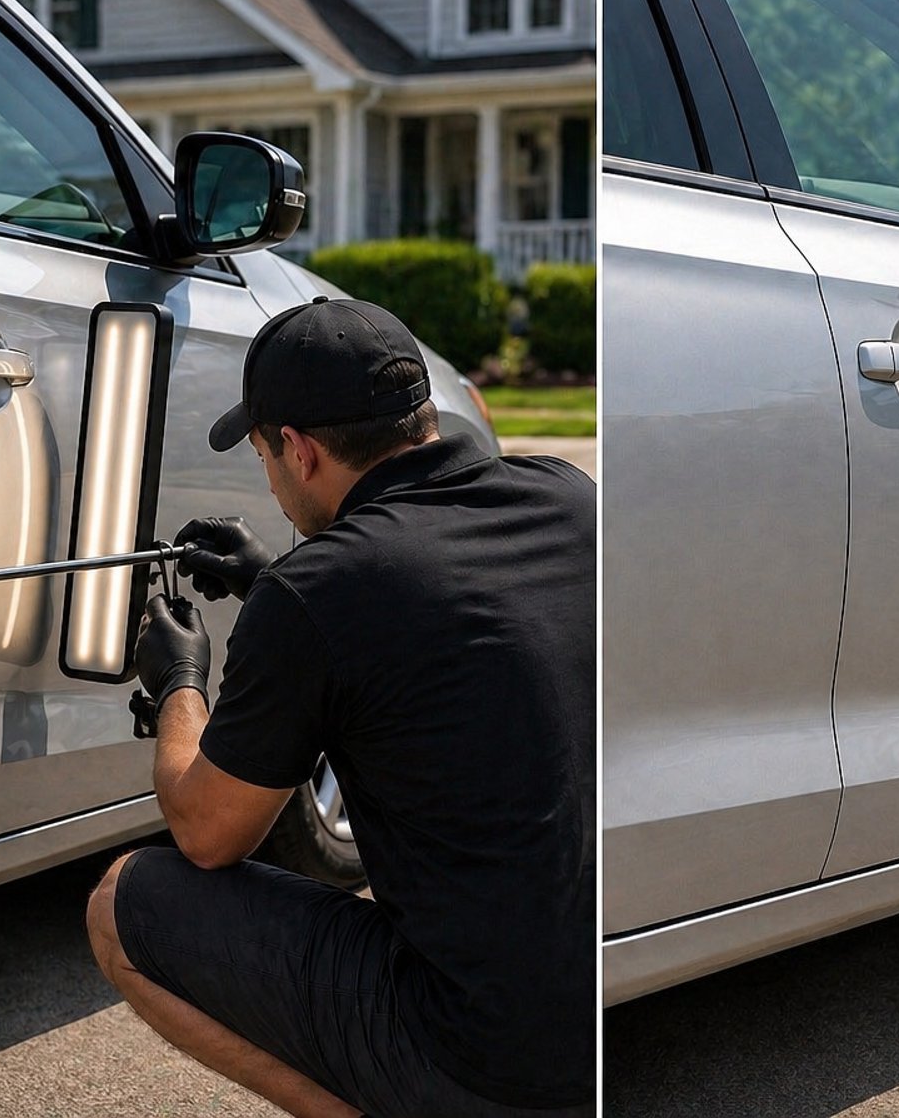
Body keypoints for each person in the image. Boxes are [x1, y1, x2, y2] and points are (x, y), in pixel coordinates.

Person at [83, 296, 595, 1117]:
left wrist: (181, 680)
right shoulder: (570, 499)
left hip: (482, 1065)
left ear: (298, 449)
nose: (273, 481)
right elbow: (433, 617)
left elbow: (208, 834)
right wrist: (283, 584)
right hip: (597, 1037)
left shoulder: (321, 594)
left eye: (263, 457)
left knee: (122, 902)